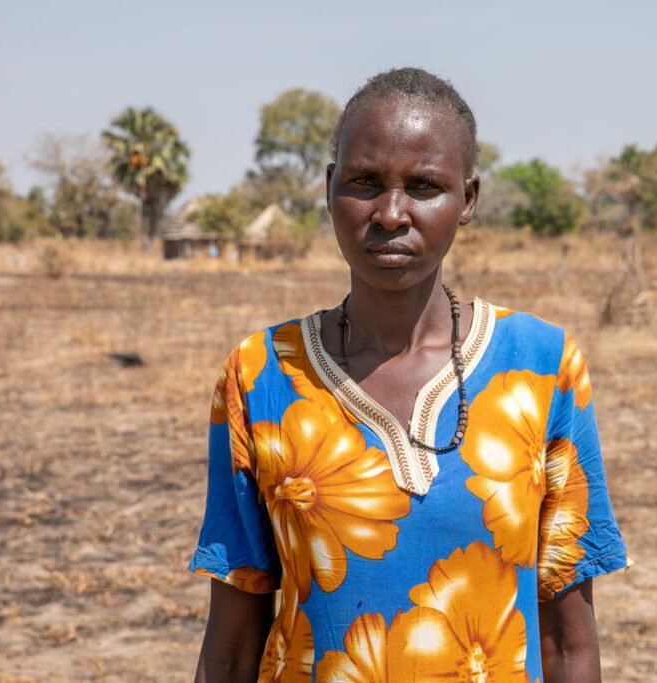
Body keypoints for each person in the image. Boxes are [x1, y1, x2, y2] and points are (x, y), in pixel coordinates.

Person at [189, 67, 630, 682]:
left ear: (468, 199)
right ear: (328, 187)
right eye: (365, 182)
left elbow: (567, 645)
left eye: (424, 186)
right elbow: (232, 647)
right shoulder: (261, 374)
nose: (392, 213)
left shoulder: (542, 367)